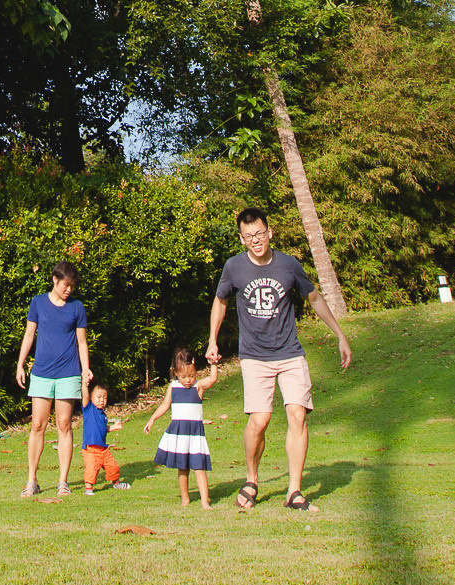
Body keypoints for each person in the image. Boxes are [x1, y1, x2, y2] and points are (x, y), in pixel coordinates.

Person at [206, 207, 353, 513]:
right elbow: (220, 302)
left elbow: (313, 298)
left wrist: (339, 334)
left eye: (259, 233)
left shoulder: (288, 265)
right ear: (242, 239)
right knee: (259, 422)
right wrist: (212, 340)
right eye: (248, 236)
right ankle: (251, 478)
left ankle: (294, 491)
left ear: (269, 232)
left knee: (297, 415)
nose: (255, 240)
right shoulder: (234, 267)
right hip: (254, 357)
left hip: (289, 353)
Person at [14, 261, 92, 498]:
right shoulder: (37, 302)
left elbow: (82, 342)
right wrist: (20, 364)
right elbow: (29, 335)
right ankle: (31, 480)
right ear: (55, 280)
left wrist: (85, 370)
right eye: (66, 285)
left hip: (68, 374)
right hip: (41, 373)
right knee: (37, 425)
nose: (69, 290)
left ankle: (63, 482)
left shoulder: (76, 307)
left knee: (64, 425)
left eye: (72, 286)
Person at [141, 347, 220, 507]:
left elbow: (212, 379)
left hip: (195, 434)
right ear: (176, 373)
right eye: (184, 376)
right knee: (182, 467)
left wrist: (213, 363)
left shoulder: (198, 387)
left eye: (191, 376)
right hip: (180, 434)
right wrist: (152, 418)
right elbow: (165, 405)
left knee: (199, 467)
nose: (188, 380)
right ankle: (185, 499)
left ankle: (205, 501)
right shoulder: (173, 387)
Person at [78, 382, 129, 494]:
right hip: (91, 449)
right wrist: (84, 384)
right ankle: (88, 489)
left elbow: (102, 428)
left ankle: (116, 484)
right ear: (91, 397)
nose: (102, 400)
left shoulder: (102, 414)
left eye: (104, 398)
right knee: (91, 469)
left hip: (103, 449)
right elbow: (85, 395)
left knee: (113, 467)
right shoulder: (88, 409)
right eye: (99, 397)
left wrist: (113, 427)